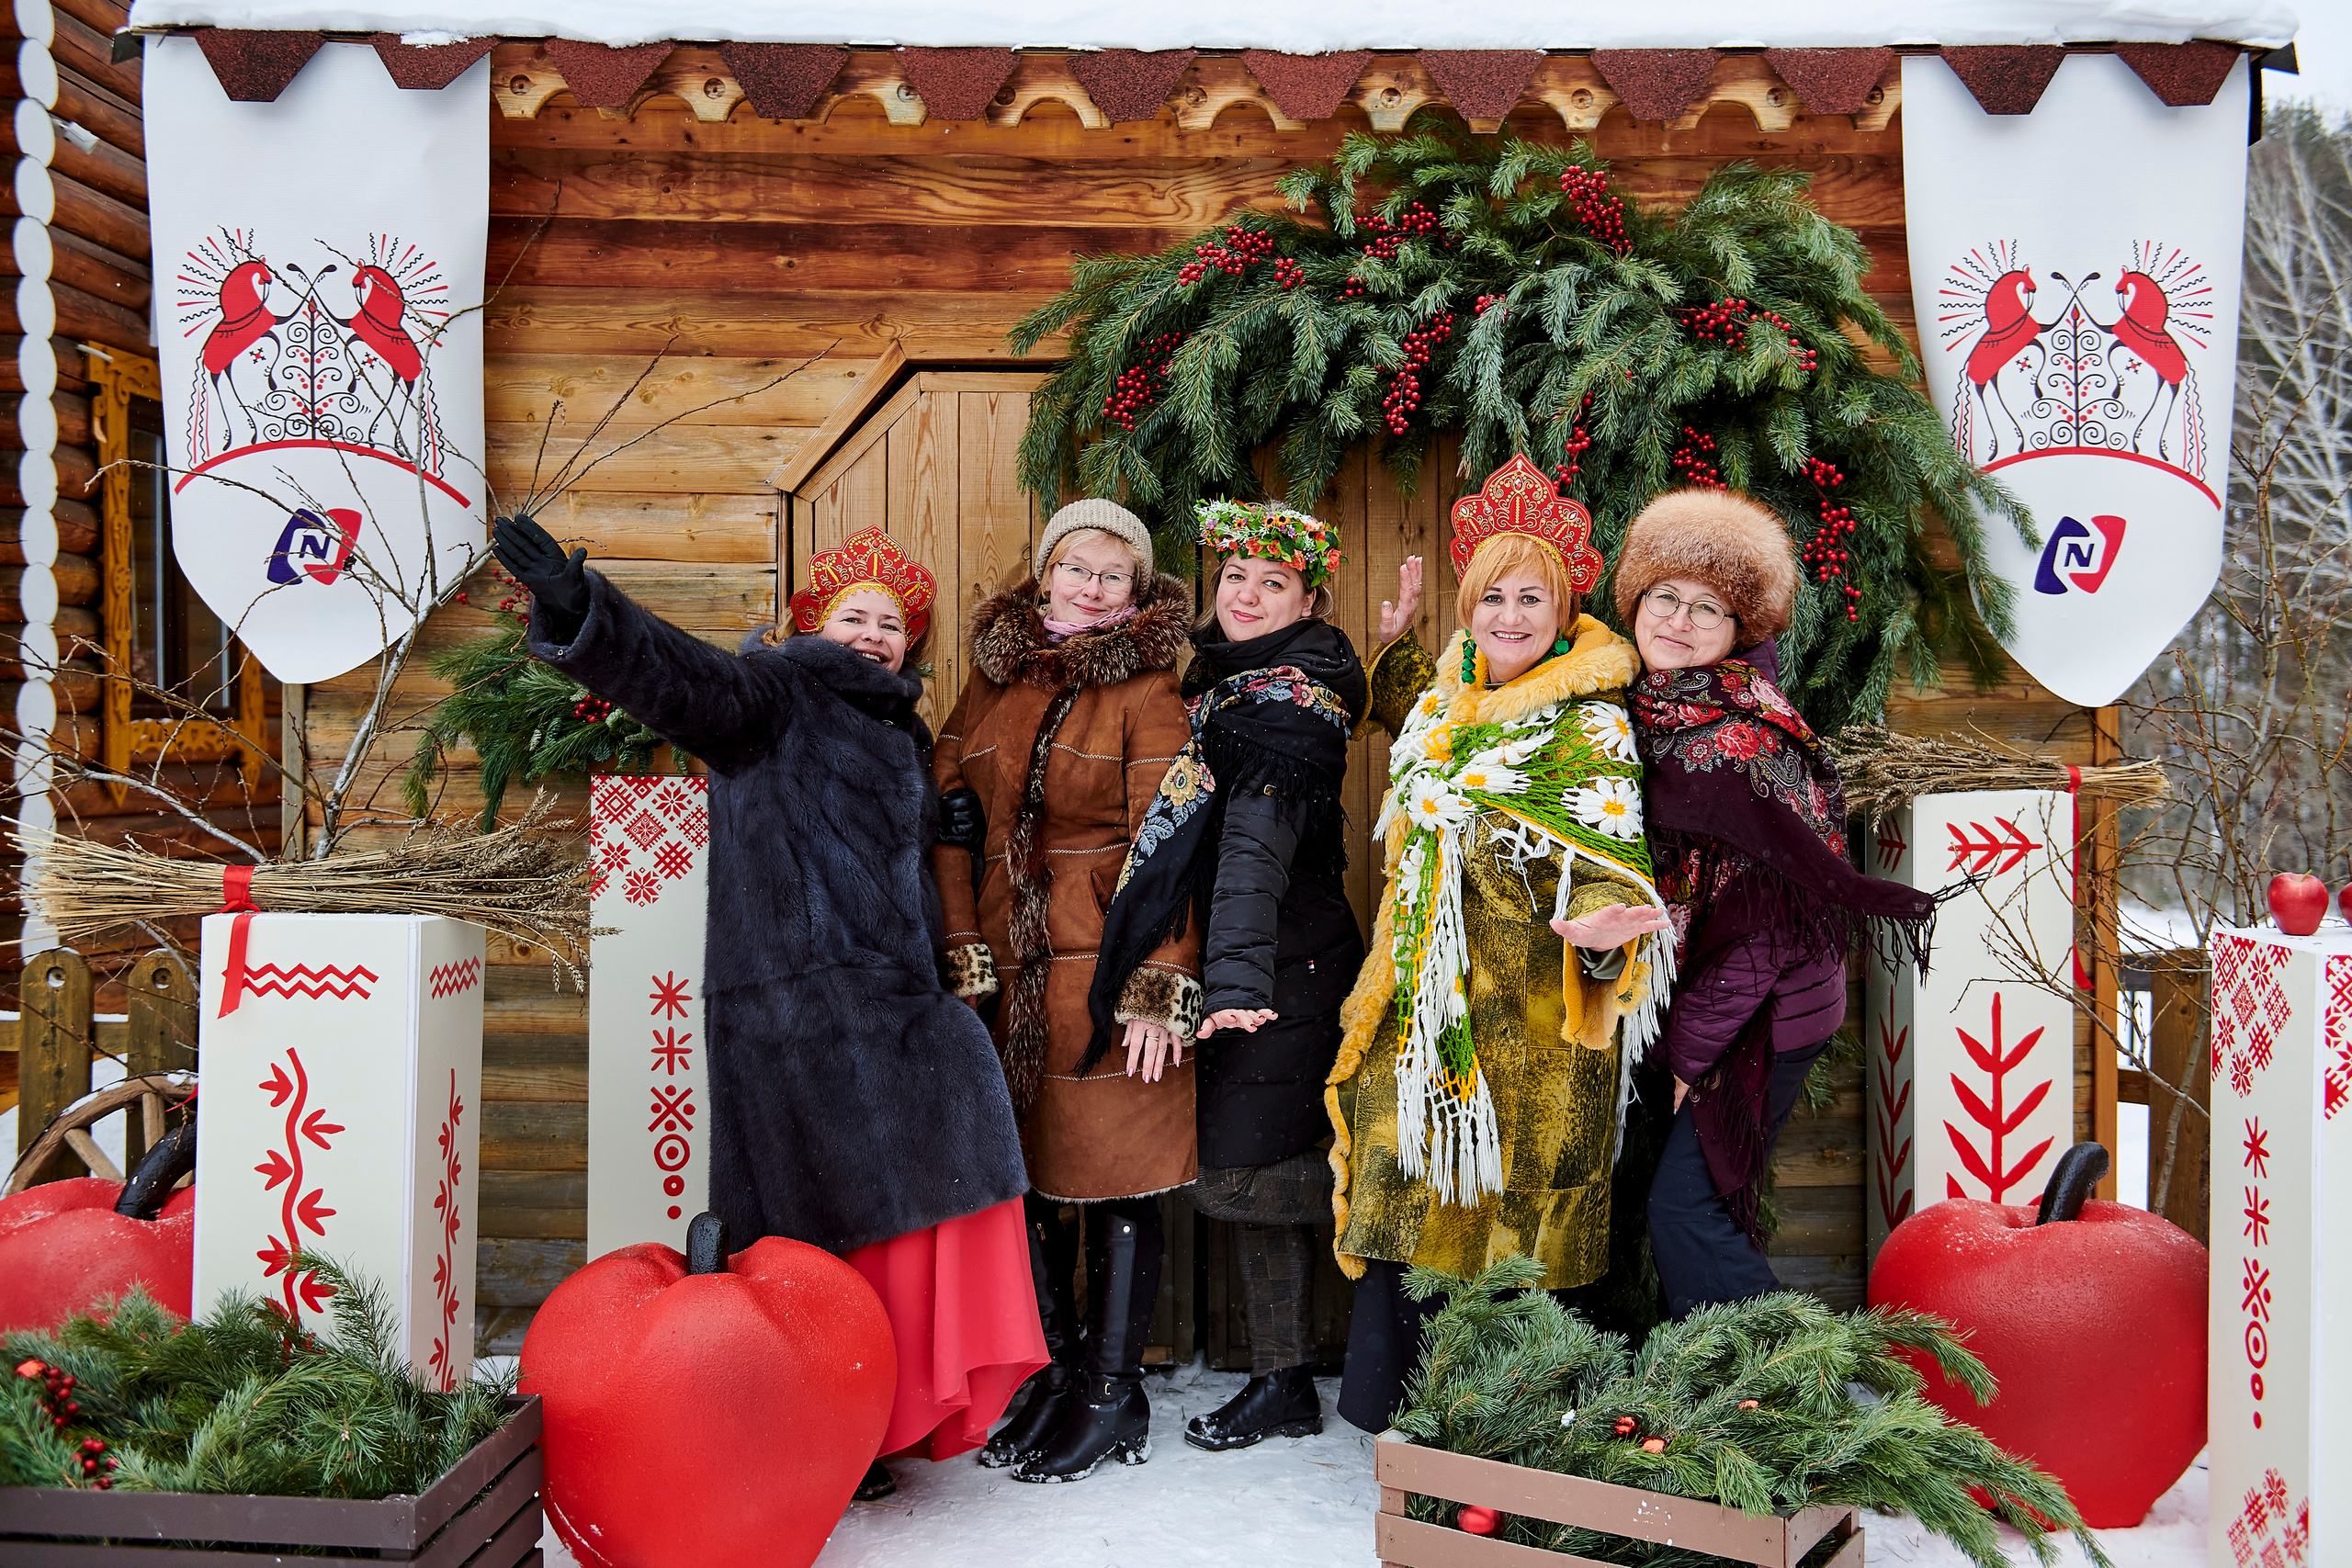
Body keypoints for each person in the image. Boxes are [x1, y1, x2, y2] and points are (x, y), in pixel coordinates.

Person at [492, 517, 1042, 1499]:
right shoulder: (777, 692)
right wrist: (581, 611)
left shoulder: (897, 729)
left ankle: (889, 1403)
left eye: (891, 623)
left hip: (888, 1006)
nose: (874, 635)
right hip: (796, 1014)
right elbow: (682, 679)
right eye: (854, 617)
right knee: (815, 1229)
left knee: (935, 1187)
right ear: (810, 626)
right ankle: (825, 1418)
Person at [1325, 457, 1676, 1436]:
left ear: (1563, 613)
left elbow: (1611, 857)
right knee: (1409, 1185)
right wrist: (1395, 657)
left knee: (1516, 1216)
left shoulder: (1589, 728)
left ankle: (1508, 1419)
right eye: (1492, 597)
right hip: (1429, 1012)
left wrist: (1604, 937)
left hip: (1531, 1031)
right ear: (1468, 608)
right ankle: (1400, 1408)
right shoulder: (1446, 704)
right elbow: (1445, 753)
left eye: (1532, 598)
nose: (1510, 615)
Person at [1611, 490, 1936, 1318]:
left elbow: (1768, 922)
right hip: (1726, 1004)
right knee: (1700, 1201)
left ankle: (1786, 1384)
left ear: (1739, 628)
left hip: (1766, 1011)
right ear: (1636, 600)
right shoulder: (1653, 712)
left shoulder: (1739, 737)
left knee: (1685, 1207)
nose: (1678, 620)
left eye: (1707, 608)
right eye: (1665, 597)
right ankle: (1737, 1386)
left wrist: (1690, 1054)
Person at [933, 499, 1203, 1483]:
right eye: (1078, 569)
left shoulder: (1146, 688)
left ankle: (1111, 1389)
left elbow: (1169, 847)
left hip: (1106, 963)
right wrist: (961, 942)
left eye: (1114, 576)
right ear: (1045, 573)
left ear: (1136, 594)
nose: (1093, 589)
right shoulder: (992, 676)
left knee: (1115, 1174)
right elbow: (950, 811)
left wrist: (1159, 979)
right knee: (1032, 1181)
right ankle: (1053, 1372)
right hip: (1009, 966)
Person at [1091, 500, 1365, 1452]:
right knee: (1253, 1168)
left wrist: (1240, 984)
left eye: (1272, 583)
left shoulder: (1282, 707)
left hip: (1282, 969)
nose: (1246, 596)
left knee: (1256, 1172)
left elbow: (1250, 852)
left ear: (1307, 598)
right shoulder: (1238, 680)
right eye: (1235, 578)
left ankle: (1285, 1380)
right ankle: (1281, 1376)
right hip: (1257, 961)